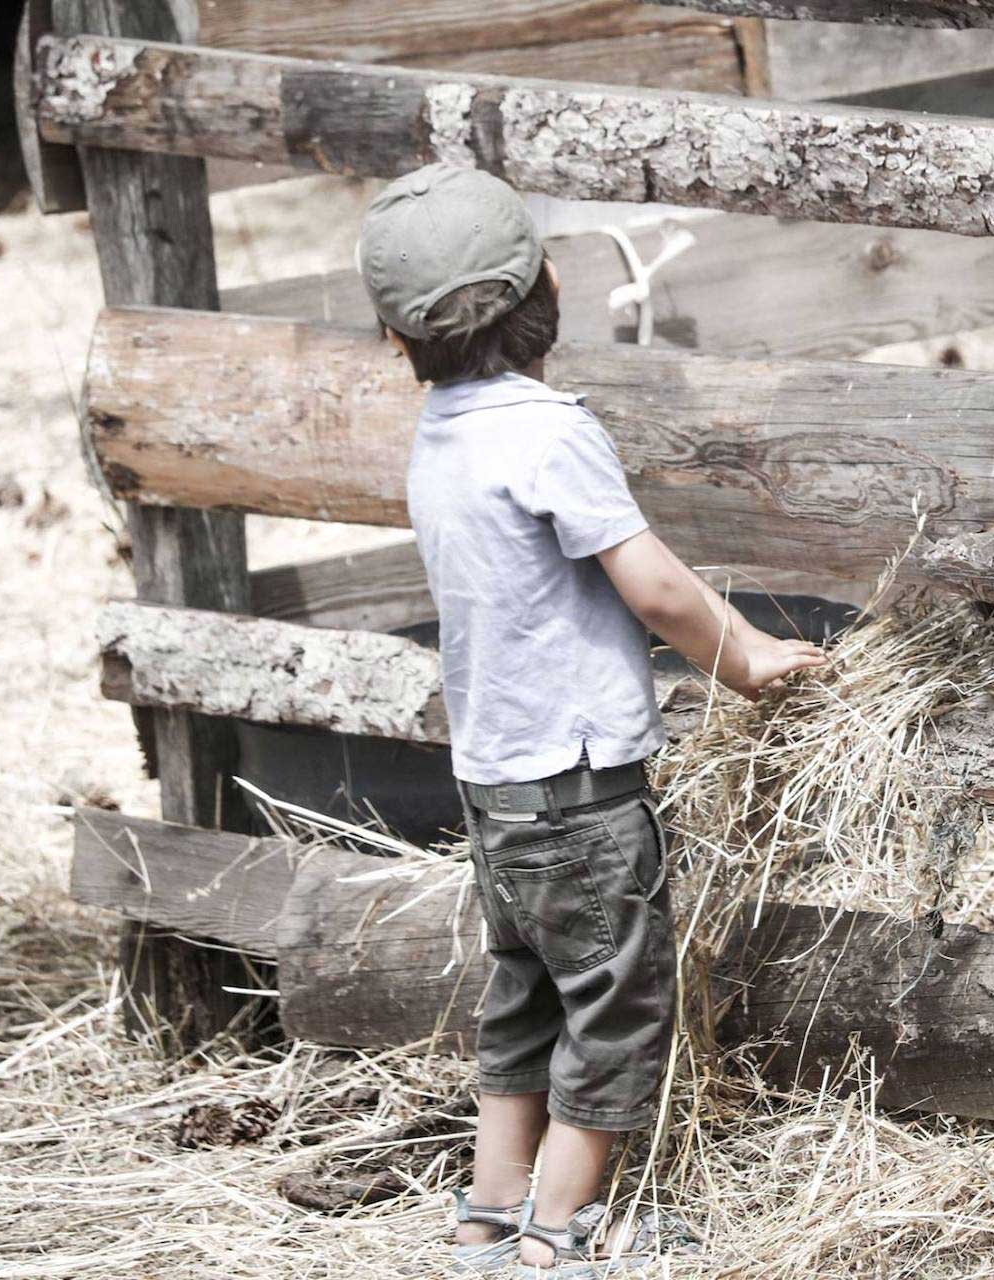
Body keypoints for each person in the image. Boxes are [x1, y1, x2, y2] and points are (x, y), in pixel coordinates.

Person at [357, 164, 825, 1275]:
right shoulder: (550, 430)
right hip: (583, 794)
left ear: (397, 336)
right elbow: (655, 588)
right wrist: (747, 655)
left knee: (523, 1004)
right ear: (550, 288)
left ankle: (489, 1218)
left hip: (498, 793)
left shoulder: (442, 434)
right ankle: (560, 1234)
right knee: (617, 1012)